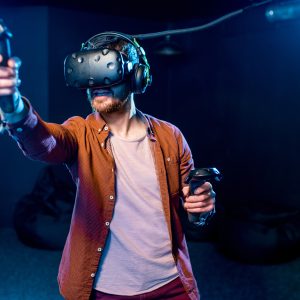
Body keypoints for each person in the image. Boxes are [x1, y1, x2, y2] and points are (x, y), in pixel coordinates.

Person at [0, 32, 216, 300]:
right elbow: (43, 142)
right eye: (88, 72)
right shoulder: (79, 132)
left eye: (108, 69)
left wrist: (202, 204)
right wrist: (11, 105)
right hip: (105, 289)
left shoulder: (171, 137)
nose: (96, 83)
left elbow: (192, 201)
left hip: (170, 283)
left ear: (137, 77)